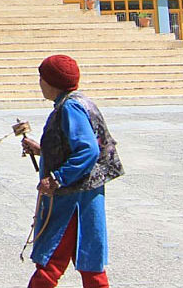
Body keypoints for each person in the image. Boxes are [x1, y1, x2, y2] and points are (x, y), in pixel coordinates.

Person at [20, 54, 122, 288]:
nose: (40, 84)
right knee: (90, 266)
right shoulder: (78, 101)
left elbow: (87, 150)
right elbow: (73, 146)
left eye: (42, 78)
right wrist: (42, 149)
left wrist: (57, 178)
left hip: (72, 202)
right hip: (85, 196)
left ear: (51, 82)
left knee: (51, 264)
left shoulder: (70, 108)